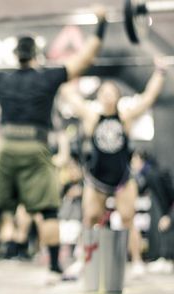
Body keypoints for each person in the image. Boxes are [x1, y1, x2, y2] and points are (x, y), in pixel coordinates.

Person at [0, 5, 108, 280]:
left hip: (6, 147)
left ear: (16, 55)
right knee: (48, 210)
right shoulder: (48, 77)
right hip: (35, 147)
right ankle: (53, 268)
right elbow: (85, 59)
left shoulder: (2, 78)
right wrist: (101, 24)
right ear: (36, 55)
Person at [61, 58, 167, 278]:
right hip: (97, 179)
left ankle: (137, 261)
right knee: (90, 218)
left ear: (117, 96)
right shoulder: (92, 117)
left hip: (122, 178)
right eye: (104, 92)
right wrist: (64, 72)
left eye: (111, 92)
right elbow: (70, 96)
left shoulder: (126, 116)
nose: (108, 95)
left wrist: (159, 72)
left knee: (128, 219)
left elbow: (148, 98)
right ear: (100, 96)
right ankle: (82, 260)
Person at [132, 150, 174, 273]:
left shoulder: (152, 174)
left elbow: (166, 198)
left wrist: (169, 216)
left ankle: (166, 258)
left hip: (169, 209)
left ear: (141, 160)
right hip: (166, 209)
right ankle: (163, 257)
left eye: (134, 160)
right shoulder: (149, 173)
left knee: (163, 223)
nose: (132, 163)